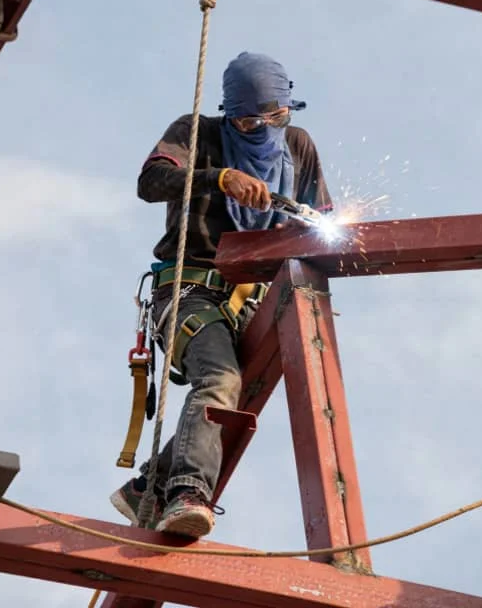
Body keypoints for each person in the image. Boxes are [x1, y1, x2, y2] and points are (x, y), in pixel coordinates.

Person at [110, 52, 333, 538]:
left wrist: (308, 231)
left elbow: (321, 219)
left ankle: (148, 487)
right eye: (249, 122)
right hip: (190, 289)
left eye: (274, 117)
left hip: (252, 300)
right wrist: (219, 178)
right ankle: (188, 491)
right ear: (231, 115)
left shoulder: (298, 146)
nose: (262, 129)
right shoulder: (198, 133)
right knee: (219, 378)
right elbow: (151, 182)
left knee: (238, 395)